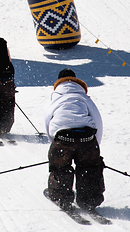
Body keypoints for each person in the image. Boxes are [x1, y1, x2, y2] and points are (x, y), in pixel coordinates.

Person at [43, 68, 105, 211]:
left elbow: (47, 120)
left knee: (60, 168)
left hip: (62, 139)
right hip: (87, 138)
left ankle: (61, 197)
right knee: (89, 168)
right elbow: (98, 120)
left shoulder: (55, 97)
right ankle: (89, 199)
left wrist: (54, 144)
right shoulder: (84, 98)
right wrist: (94, 146)